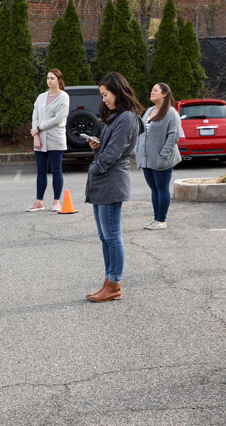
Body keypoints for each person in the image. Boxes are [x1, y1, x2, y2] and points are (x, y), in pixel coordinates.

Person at [84, 72, 142, 303]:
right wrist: (97, 146)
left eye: (106, 94)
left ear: (117, 92)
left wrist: (95, 167)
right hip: (103, 181)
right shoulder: (117, 116)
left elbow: (114, 152)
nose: (104, 99)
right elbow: (108, 149)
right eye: (102, 95)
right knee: (104, 236)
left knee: (112, 235)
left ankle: (114, 284)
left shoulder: (127, 118)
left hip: (111, 181)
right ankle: (108, 282)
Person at [135, 82, 182, 230]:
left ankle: (161, 220)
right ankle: (156, 219)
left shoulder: (171, 113)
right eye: (152, 89)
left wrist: (163, 156)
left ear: (164, 94)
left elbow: (173, 137)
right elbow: (141, 132)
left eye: (155, 90)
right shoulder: (149, 110)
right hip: (147, 159)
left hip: (161, 160)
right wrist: (138, 150)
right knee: (154, 189)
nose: (152, 92)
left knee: (162, 189)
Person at [27, 69, 70, 212]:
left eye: (52, 78)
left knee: (56, 170)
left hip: (55, 139)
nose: (49, 81)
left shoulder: (64, 97)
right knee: (41, 171)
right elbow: (35, 117)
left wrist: (39, 128)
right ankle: (39, 201)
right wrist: (36, 136)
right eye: (47, 78)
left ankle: (56, 201)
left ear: (59, 80)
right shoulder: (41, 97)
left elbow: (57, 119)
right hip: (40, 139)